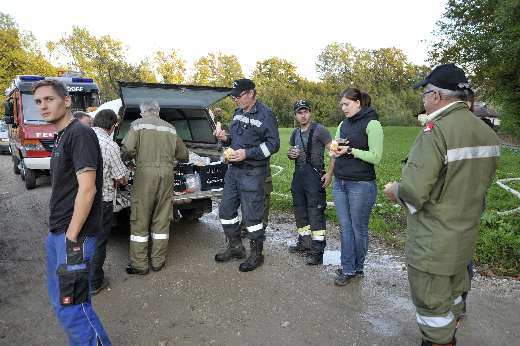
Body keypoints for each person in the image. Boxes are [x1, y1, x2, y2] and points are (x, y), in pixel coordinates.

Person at [383, 64, 500, 346]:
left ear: (436, 96)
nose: (423, 99)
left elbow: (413, 191)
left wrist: (393, 190)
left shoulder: (436, 131)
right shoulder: (486, 133)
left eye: (425, 93)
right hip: (464, 236)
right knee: (455, 293)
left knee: (432, 306)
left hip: (433, 243)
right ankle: (449, 334)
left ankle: (439, 340)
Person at [33, 79, 111, 345]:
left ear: (66, 100)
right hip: (60, 233)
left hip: (74, 237)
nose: (43, 106)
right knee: (63, 304)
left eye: (49, 99)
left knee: (72, 307)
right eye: (38, 102)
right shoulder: (63, 135)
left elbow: (87, 190)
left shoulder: (80, 134)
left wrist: (71, 237)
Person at [213, 78, 280, 272]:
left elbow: (273, 145)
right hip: (233, 172)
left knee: (252, 217)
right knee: (225, 211)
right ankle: (235, 247)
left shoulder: (266, 115)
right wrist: (225, 139)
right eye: (234, 96)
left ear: (251, 93)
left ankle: (256, 255)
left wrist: (247, 153)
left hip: (253, 173)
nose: (235, 99)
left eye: (238, 96)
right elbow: (236, 140)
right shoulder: (238, 113)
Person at [122, 100, 189, 275]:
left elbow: (127, 149)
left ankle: (140, 265)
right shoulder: (170, 128)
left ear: (143, 112)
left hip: (144, 174)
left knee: (140, 217)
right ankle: (158, 262)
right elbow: (184, 155)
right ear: (157, 111)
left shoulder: (137, 125)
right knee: (162, 216)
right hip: (167, 175)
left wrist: (128, 162)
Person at [330, 88, 384, 286]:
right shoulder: (343, 124)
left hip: (361, 185)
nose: (343, 108)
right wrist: (334, 152)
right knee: (345, 228)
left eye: (346, 104)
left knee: (358, 228)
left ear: (358, 103)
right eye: (342, 104)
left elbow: (376, 157)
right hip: (340, 183)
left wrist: (351, 150)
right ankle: (348, 267)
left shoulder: (373, 124)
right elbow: (336, 147)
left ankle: (356, 267)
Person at [287, 99, 332, 265]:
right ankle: (304, 244)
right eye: (300, 112)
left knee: (315, 214)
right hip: (298, 177)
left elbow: (334, 151)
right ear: (296, 115)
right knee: (300, 212)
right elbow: (291, 151)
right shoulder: (294, 133)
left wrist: (330, 173)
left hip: (314, 177)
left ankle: (317, 252)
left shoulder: (320, 130)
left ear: (310, 112)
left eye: (305, 111)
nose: (303, 115)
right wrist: (290, 154)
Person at [90, 109, 128, 294]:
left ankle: (80, 277)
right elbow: (120, 176)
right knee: (99, 240)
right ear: (112, 126)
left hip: (80, 198)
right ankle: (94, 282)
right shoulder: (109, 144)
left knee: (84, 239)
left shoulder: (82, 138)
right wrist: (125, 178)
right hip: (101, 200)